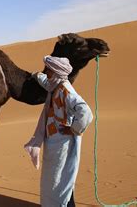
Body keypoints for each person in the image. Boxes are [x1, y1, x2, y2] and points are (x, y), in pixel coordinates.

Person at [24, 56, 93, 206]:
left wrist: (74, 129)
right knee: (54, 182)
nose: (47, 72)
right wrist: (36, 75)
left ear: (56, 72)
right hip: (53, 145)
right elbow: (46, 82)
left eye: (48, 70)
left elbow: (86, 112)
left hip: (63, 145)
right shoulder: (54, 85)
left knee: (62, 180)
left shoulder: (66, 90)